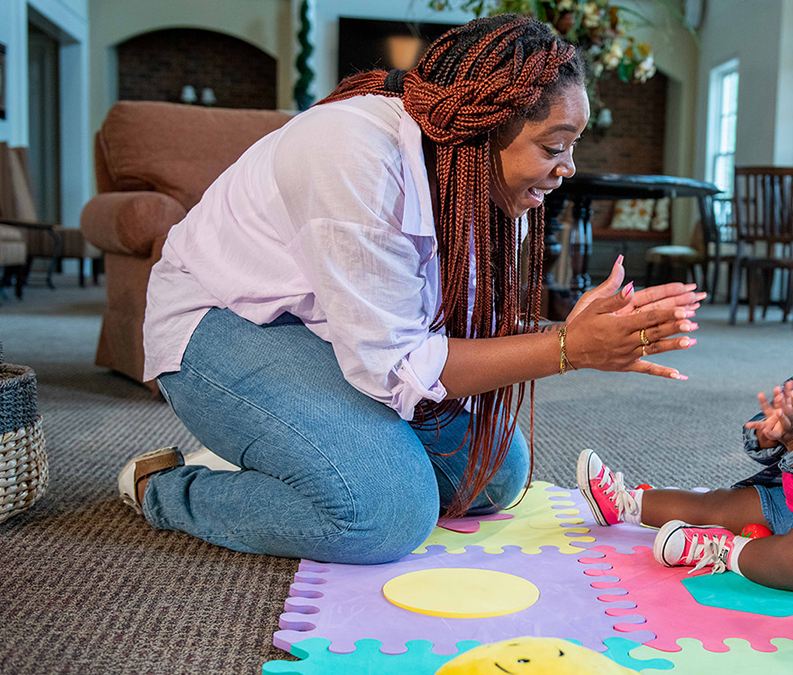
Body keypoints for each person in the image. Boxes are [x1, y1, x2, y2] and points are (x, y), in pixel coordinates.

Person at [118, 15, 704, 565]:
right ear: (482, 130)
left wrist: (568, 332)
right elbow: (395, 366)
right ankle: (167, 488)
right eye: (554, 147)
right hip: (220, 325)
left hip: (331, 336)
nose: (568, 167)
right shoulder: (349, 155)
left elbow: (443, 328)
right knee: (388, 514)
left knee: (496, 474)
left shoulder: (482, 180)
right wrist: (569, 350)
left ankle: (292, 447)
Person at [577, 247, 793, 600]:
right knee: (719, 503)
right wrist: (767, 435)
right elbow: (770, 434)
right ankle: (625, 504)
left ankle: (724, 550)